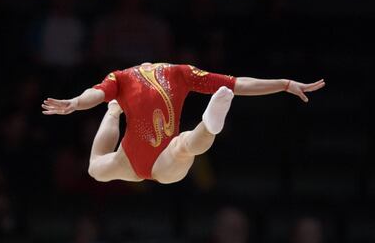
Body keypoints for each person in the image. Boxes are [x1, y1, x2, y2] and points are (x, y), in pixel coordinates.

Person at [41, 62, 324, 183]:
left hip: (146, 161)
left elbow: (238, 83)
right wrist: (76, 102)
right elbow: (239, 84)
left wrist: (285, 84)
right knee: (182, 148)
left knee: (180, 147)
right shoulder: (165, 73)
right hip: (133, 160)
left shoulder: (128, 76)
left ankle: (210, 123)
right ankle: (208, 124)